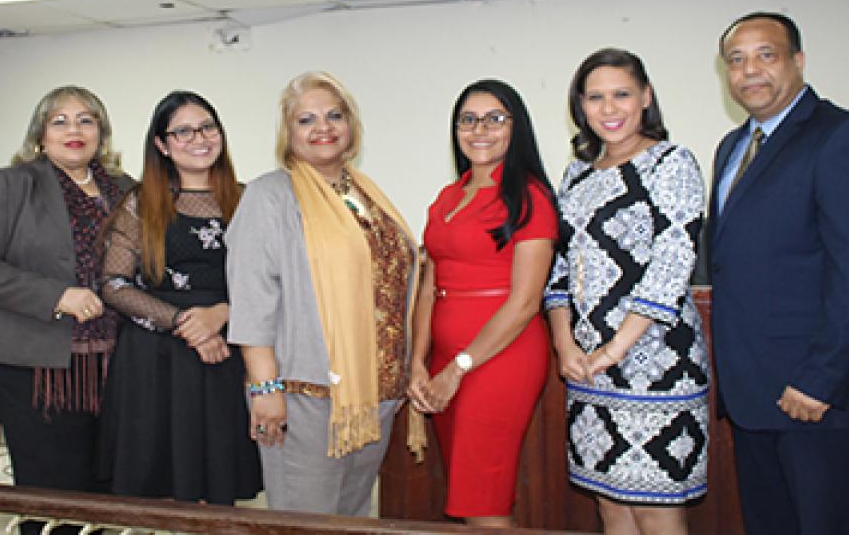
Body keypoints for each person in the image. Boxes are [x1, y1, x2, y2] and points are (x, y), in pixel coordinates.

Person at [708, 12, 849, 535]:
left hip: (819, 398)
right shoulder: (732, 148)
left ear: (798, 62)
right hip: (756, 396)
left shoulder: (844, 136)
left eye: (766, 56)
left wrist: (819, 380)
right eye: (736, 60)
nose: (749, 71)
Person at [225, 71, 421, 516]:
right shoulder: (270, 196)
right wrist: (265, 388)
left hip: (374, 394)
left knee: (353, 520)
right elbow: (253, 298)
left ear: (351, 125)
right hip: (305, 397)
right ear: (288, 133)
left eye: (334, 115)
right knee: (304, 521)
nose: (323, 128)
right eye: (306, 120)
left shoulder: (365, 194)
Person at [543, 49, 710, 535]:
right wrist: (565, 343)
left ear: (646, 98)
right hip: (589, 367)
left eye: (621, 94)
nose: (609, 109)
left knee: (656, 510)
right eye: (595, 97)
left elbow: (674, 261)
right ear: (580, 106)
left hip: (658, 364)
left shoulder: (671, 163)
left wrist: (617, 347)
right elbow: (558, 269)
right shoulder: (576, 175)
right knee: (610, 505)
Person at [0, 86, 134, 503]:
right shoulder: (12, 183)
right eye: (60, 121)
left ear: (101, 133)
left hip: (115, 363)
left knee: (107, 488)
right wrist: (57, 296)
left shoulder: (125, 188)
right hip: (33, 365)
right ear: (40, 135)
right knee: (54, 491)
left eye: (86, 120)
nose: (74, 129)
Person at [97, 91, 261, 504]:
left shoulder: (251, 201)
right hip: (155, 360)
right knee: (153, 493)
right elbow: (114, 284)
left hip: (225, 355)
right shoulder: (140, 202)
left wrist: (221, 315)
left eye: (207, 127)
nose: (198, 138)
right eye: (182, 131)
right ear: (162, 144)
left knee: (218, 487)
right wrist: (188, 324)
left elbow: (275, 283)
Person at [407, 79, 556, 528]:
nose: (480, 130)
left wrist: (458, 368)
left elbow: (526, 302)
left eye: (495, 119)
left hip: (499, 359)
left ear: (516, 128)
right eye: (468, 120)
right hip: (444, 360)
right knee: (465, 492)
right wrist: (418, 362)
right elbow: (430, 283)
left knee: (482, 500)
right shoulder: (448, 198)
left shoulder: (529, 197)